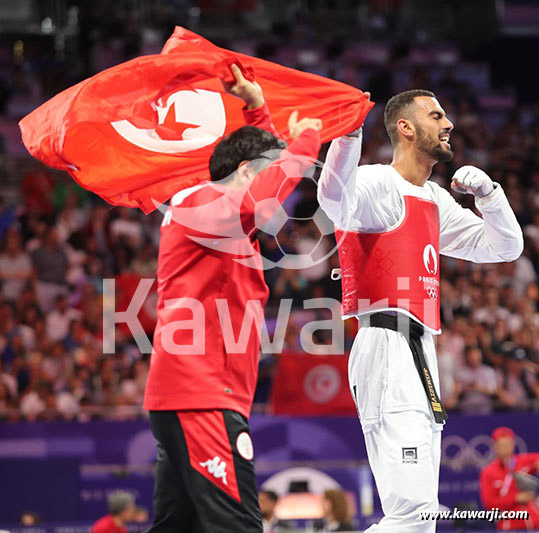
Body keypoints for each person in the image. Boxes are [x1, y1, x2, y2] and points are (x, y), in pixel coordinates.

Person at [318, 89, 523, 532]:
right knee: (412, 515)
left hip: (420, 351)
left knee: (420, 518)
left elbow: (506, 247)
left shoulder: (434, 198)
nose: (448, 124)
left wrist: (490, 196)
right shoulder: (377, 183)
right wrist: (348, 135)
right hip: (387, 346)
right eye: (436, 115)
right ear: (406, 128)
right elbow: (334, 200)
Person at [143, 64, 322, 533]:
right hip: (201, 395)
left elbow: (255, 173)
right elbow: (258, 190)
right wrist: (305, 144)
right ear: (244, 174)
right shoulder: (197, 204)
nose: (279, 196)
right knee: (238, 527)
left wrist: (258, 107)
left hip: (192, 395)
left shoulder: (220, 218)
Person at [480, 427, 539, 530]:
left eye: (508, 444)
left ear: (513, 444)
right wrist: (516, 498)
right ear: (495, 446)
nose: (506, 448)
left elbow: (536, 460)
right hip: (509, 527)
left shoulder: (522, 461)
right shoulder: (488, 472)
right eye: (502, 445)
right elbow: (489, 504)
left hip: (534, 524)